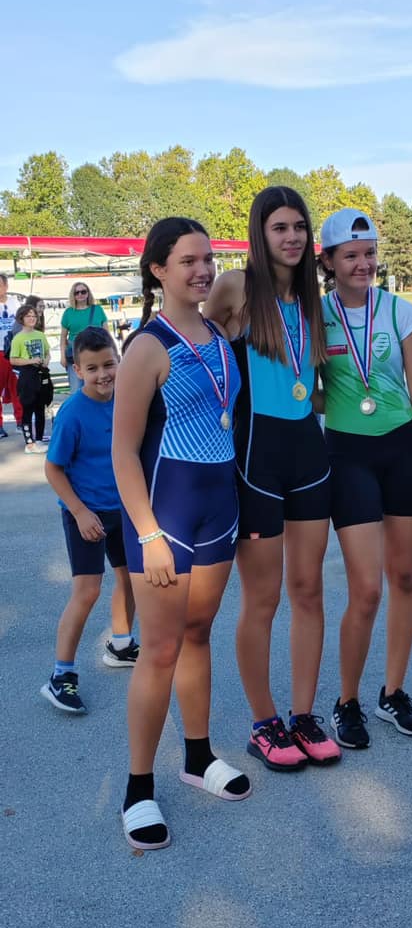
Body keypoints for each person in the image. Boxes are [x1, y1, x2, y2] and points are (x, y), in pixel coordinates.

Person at [112, 217, 250, 853]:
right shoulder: (148, 346)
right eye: (188, 261)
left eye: (208, 258)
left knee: (198, 634)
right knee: (161, 649)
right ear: (158, 270)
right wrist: (148, 535)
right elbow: (122, 453)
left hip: (219, 508)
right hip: (165, 515)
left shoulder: (219, 333)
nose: (203, 270)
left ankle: (198, 756)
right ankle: (138, 788)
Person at [203, 185, 340, 771]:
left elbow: (314, 386)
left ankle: (303, 715)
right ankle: (264, 723)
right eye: (279, 227)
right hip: (254, 463)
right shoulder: (236, 287)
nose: (292, 237)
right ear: (260, 234)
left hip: (309, 459)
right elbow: (198, 349)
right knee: (262, 599)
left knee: (308, 591)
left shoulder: (314, 300)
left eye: (299, 227)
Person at [319, 207, 412, 748]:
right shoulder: (313, 316)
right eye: (351, 255)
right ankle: (346, 702)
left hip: (402, 451)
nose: (363, 263)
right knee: (367, 589)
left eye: (369, 253)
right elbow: (308, 390)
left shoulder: (401, 312)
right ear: (328, 261)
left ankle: (392, 693)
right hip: (347, 454)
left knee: (406, 577)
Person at [41, 327, 139, 714]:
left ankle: (121, 644)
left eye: (109, 364)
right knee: (87, 591)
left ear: (119, 362)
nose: (103, 374)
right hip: (85, 513)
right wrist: (80, 512)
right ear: (77, 370)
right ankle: (60, 675)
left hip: (123, 509)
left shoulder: (128, 400)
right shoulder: (73, 413)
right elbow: (53, 469)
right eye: (92, 368)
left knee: (130, 579)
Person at [10, 305, 53, 451]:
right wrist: (30, 361)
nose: (32, 318)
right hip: (27, 375)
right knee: (28, 409)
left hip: (41, 374)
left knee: (40, 408)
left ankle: (39, 440)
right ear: (21, 318)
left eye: (34, 316)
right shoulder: (18, 338)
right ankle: (29, 443)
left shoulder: (40, 335)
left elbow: (47, 352)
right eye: (28, 316)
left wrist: (46, 360)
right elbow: (13, 360)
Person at [60, 283, 109, 393]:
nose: (80, 295)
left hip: (96, 351)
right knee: (76, 388)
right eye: (77, 292)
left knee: (98, 386)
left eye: (83, 291)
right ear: (73, 295)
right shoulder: (68, 313)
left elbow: (106, 333)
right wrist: (62, 356)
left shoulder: (98, 310)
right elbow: (63, 337)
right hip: (75, 353)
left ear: (88, 293)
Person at [0, 272, 22, 439]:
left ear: (6, 286)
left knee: (17, 388)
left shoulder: (15, 303)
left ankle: (21, 421)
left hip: (15, 351)